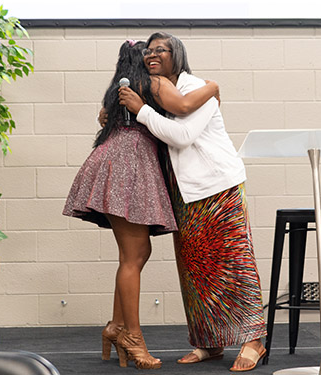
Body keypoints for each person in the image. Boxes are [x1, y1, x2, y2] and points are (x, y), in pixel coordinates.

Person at [62, 39, 219, 370]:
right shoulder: (153, 83)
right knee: (133, 256)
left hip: (116, 160)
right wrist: (213, 87)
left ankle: (116, 327)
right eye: (150, 54)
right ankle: (132, 336)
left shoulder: (120, 89)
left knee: (136, 254)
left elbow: (105, 118)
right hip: (127, 165)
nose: (154, 58)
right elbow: (185, 106)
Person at [118, 32, 267, 372]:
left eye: (161, 50)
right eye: (148, 51)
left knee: (234, 264)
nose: (152, 55)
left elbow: (182, 137)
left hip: (217, 186)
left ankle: (254, 339)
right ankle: (209, 342)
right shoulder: (159, 94)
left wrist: (140, 111)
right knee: (195, 270)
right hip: (184, 194)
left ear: (178, 55)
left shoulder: (199, 90)